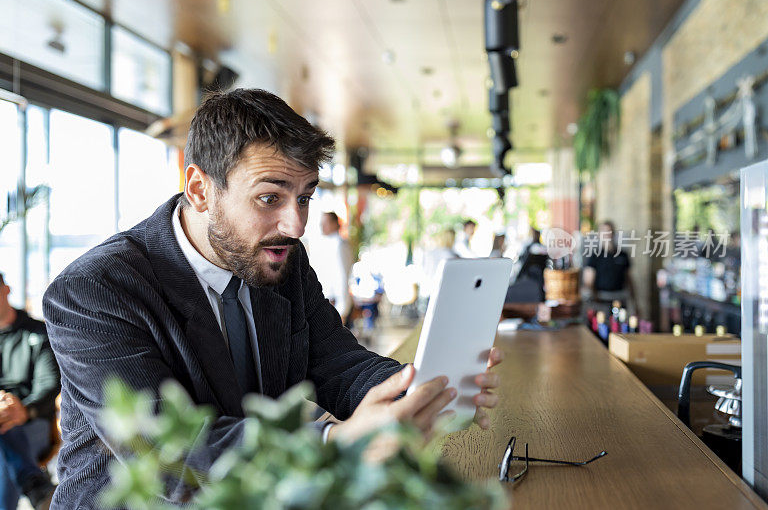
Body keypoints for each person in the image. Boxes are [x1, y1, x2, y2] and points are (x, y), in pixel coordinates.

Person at [42, 89, 503, 508]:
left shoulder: (283, 260)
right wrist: (330, 442)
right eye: (269, 198)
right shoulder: (93, 291)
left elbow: (338, 364)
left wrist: (415, 387)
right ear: (200, 189)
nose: (296, 225)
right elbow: (167, 456)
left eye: (304, 197)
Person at [0, 267, 58, 510]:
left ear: (6, 290)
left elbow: (49, 384)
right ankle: (34, 486)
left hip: (33, 423)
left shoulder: (39, 333)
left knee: (4, 437)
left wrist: (24, 410)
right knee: (0, 432)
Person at [583, 220, 639, 314]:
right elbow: (588, 281)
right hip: (601, 300)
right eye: (604, 232)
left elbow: (629, 279)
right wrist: (592, 297)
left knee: (620, 327)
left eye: (609, 231)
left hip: (620, 299)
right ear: (599, 235)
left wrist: (635, 302)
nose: (607, 235)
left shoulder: (623, 255)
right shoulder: (595, 256)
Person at [308, 212, 353, 324]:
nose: (322, 226)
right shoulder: (325, 243)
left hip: (335, 303)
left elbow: (342, 276)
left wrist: (342, 308)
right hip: (325, 301)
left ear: (335, 224)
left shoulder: (339, 244)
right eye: (321, 223)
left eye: (326, 223)